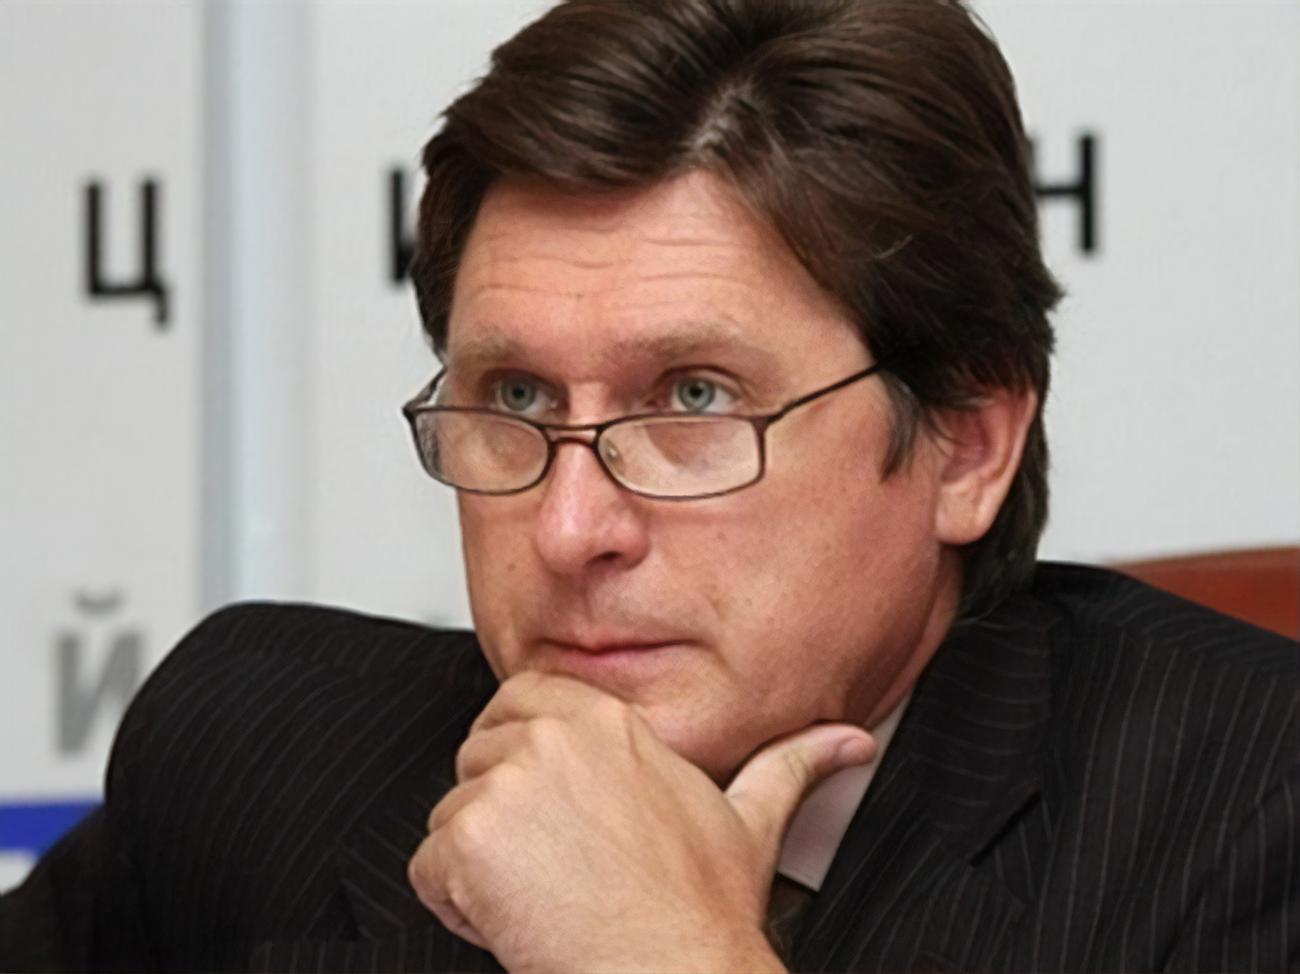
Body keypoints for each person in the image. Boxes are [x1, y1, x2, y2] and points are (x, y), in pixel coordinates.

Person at [3, 0, 1296, 971]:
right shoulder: (256, 753)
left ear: (965, 443)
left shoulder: (1247, 819)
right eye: (518, 398)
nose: (570, 529)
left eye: (695, 400)